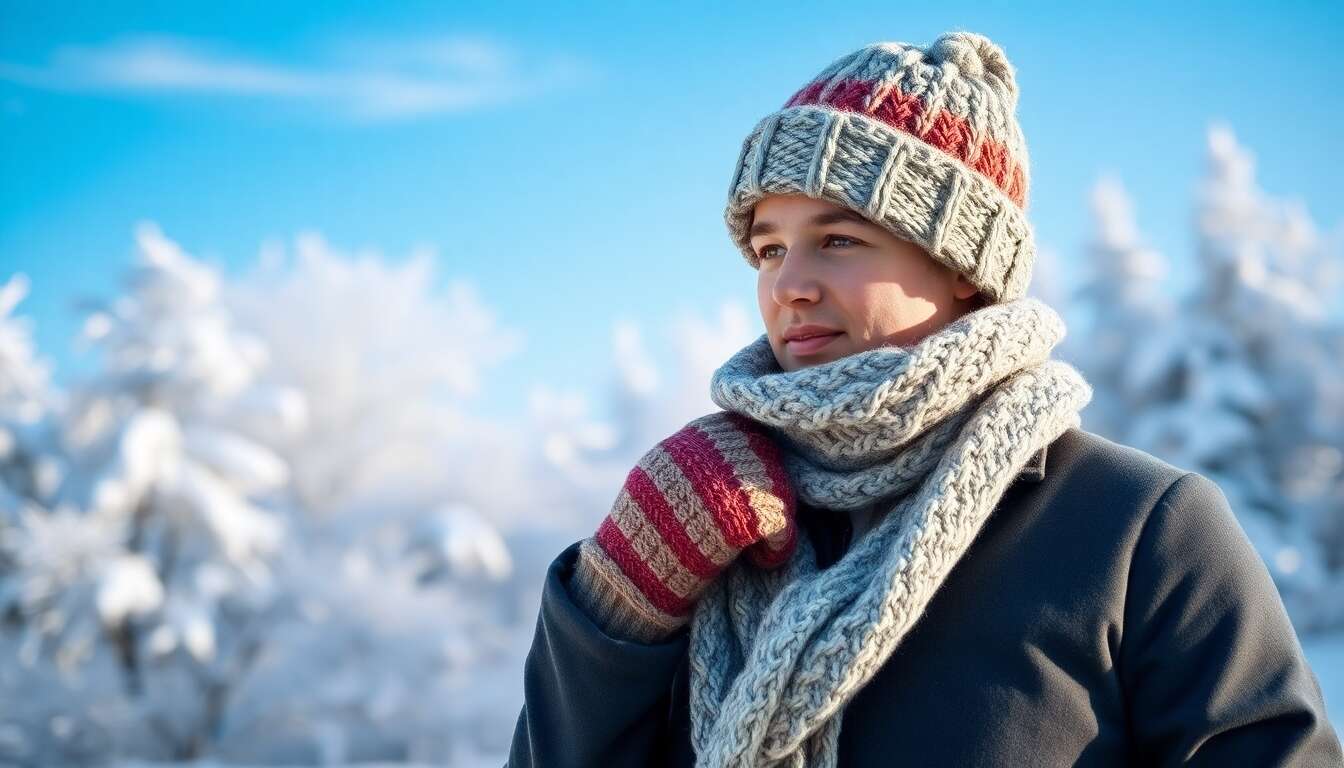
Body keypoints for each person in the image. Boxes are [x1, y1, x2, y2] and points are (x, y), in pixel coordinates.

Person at [507, 30, 1343, 767]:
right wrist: (615, 609)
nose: (788, 285)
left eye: (838, 239)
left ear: (964, 270)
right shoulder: (706, 517)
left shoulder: (1137, 529)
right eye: (768, 248)